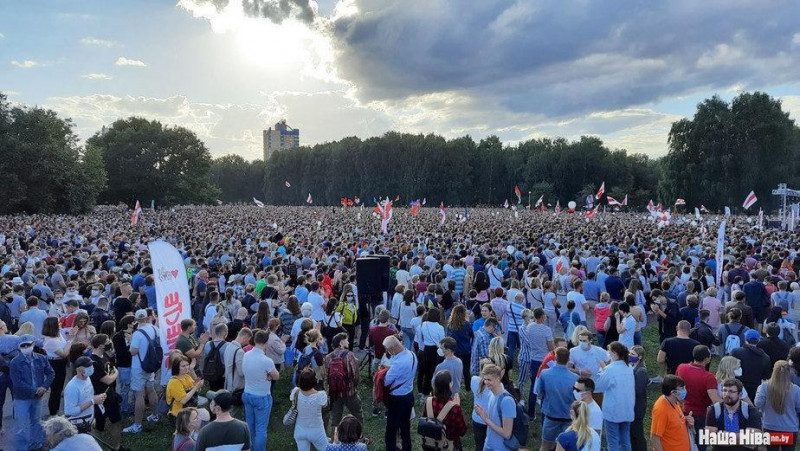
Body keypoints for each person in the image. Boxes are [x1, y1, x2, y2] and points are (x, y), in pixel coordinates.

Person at [11, 334, 55, 450]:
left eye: (28, 344)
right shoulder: (14, 363)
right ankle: (23, 447)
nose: (26, 347)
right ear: (19, 347)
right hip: (22, 398)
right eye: (23, 345)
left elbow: (51, 373)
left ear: (33, 344)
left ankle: (36, 444)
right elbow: (17, 383)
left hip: (37, 397)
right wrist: (36, 390)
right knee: (22, 424)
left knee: (36, 422)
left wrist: (44, 387)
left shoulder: (41, 358)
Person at [675, 345, 721, 449]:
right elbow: (715, 400)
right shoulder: (709, 377)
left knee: (684, 441)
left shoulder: (681, 367)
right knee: (700, 444)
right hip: (700, 415)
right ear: (707, 359)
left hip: (681, 410)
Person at [242, 329, 280, 451]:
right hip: (262, 396)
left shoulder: (246, 354)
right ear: (266, 343)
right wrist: (268, 376)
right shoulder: (266, 361)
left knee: (250, 426)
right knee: (261, 429)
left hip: (247, 394)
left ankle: (250, 448)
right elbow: (276, 376)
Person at [123, 309, 160, 434]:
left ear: (136, 320)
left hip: (139, 367)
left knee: (139, 395)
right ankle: (155, 415)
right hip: (151, 365)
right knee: (151, 390)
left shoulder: (137, 333)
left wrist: (130, 341)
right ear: (147, 317)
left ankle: (137, 425)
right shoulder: (155, 329)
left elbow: (133, 351)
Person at [537, 347, 580, 451]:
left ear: (555, 358)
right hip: (568, 418)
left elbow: (539, 392)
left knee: (546, 446)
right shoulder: (575, 377)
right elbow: (577, 398)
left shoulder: (545, 374)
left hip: (551, 416)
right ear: (568, 359)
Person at [594, 341, 634, 450]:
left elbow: (599, 386)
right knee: (625, 440)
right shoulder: (629, 367)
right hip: (627, 409)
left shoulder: (610, 369)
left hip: (613, 411)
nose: (608, 354)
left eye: (609, 352)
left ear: (615, 353)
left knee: (613, 442)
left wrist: (603, 369)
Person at [704, 378, 763, 451]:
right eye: (724, 390)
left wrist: (722, 436)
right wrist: (742, 438)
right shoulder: (714, 409)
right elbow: (710, 437)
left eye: (731, 391)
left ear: (740, 394)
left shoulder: (751, 411)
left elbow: (753, 439)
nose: (727, 394)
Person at [754, 360, 800, 450]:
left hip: (770, 427)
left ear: (773, 371)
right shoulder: (796, 389)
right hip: (789, 429)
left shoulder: (764, 386)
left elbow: (758, 404)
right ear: (789, 372)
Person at [383, 335, 417, 451]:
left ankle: (391, 448)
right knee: (405, 427)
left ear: (392, 349)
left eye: (387, 350)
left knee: (391, 429)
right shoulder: (412, 354)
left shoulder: (398, 362)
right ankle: (407, 447)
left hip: (397, 399)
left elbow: (387, 381)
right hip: (409, 394)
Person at [474, 363, 516, 451]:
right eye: (485, 379)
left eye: (489, 379)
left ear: (498, 379)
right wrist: (484, 415)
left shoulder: (507, 401)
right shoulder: (491, 394)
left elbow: (507, 434)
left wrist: (485, 419)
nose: (486, 382)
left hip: (501, 447)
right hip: (488, 444)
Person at [324, 332, 362, 430]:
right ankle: (359, 437)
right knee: (357, 414)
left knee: (335, 419)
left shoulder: (328, 357)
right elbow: (356, 375)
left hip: (334, 393)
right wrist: (354, 386)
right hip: (350, 392)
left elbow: (326, 376)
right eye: (347, 340)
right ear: (341, 342)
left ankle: (335, 440)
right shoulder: (349, 355)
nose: (349, 342)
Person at [422, 370, 467, 450]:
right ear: (450, 385)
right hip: (449, 445)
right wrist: (457, 405)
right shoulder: (455, 407)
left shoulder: (428, 401)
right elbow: (462, 430)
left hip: (431, 444)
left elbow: (425, 420)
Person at [521, 307, 554, 418]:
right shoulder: (546, 330)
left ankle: (531, 413)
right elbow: (551, 347)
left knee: (533, 387)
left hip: (533, 359)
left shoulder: (529, 327)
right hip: (544, 361)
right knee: (545, 387)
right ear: (542, 317)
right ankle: (545, 413)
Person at [64, 356, 107, 433]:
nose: (92, 368)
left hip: (88, 421)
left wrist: (97, 398)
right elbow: (70, 411)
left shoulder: (87, 378)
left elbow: (87, 397)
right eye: (88, 366)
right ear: (78, 370)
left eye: (92, 365)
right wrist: (93, 401)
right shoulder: (72, 387)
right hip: (78, 426)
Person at [650, 374, 693, 451]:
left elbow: (673, 422)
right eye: (682, 388)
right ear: (673, 392)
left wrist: (687, 420)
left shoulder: (675, 402)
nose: (685, 390)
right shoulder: (661, 409)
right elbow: (655, 438)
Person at [292, 367, 330, 451]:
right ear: (314, 381)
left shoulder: (295, 392)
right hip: (317, 431)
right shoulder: (321, 395)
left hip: (300, 431)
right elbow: (325, 406)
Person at [731, 329, 772, 399]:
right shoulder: (766, 357)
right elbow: (766, 376)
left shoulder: (736, 352)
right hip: (755, 390)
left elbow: (730, 369)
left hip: (737, 387)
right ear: (758, 340)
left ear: (745, 339)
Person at [42, 316, 69, 416]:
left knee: (58, 389)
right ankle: (53, 413)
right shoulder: (50, 341)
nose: (60, 323)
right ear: (53, 326)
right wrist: (70, 340)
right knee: (55, 390)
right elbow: (64, 353)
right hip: (55, 364)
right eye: (58, 323)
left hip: (61, 364)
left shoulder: (58, 334)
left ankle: (55, 411)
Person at [166, 355, 205, 419]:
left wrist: (198, 385)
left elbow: (197, 391)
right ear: (176, 368)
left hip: (190, 411)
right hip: (179, 415)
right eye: (183, 366)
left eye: (187, 365)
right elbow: (183, 400)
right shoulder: (174, 382)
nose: (186, 367)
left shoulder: (187, 376)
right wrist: (196, 387)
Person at [418, 308, 446, 396]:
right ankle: (436, 392)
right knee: (436, 372)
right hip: (436, 351)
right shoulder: (440, 327)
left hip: (426, 349)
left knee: (427, 372)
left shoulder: (424, 324)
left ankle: (425, 393)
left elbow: (422, 337)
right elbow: (442, 341)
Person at [445, 304, 473, 388]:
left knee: (454, 369)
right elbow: (472, 335)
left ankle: (454, 385)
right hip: (466, 349)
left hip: (455, 350)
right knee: (466, 369)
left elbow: (448, 337)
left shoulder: (450, 325)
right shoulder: (467, 324)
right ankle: (468, 386)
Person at [0, 319, 19, 433]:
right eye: (5, 325)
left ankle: (0, 427)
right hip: (13, 373)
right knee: (17, 400)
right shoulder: (15, 339)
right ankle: (18, 425)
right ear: (2, 328)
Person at [629, 345, 649, 451]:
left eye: (632, 354)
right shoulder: (633, 367)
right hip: (634, 406)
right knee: (633, 433)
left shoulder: (641, 371)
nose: (630, 355)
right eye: (630, 353)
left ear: (640, 357)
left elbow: (639, 390)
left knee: (637, 433)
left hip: (638, 407)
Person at [471, 360, 493, 450]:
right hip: (489, 419)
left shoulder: (474, 379)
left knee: (479, 445)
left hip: (477, 417)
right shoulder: (493, 385)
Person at [224, 327, 251, 394]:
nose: (247, 343)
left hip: (228, 382)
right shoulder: (240, 352)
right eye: (248, 340)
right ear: (244, 337)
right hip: (236, 386)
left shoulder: (228, 346)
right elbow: (241, 373)